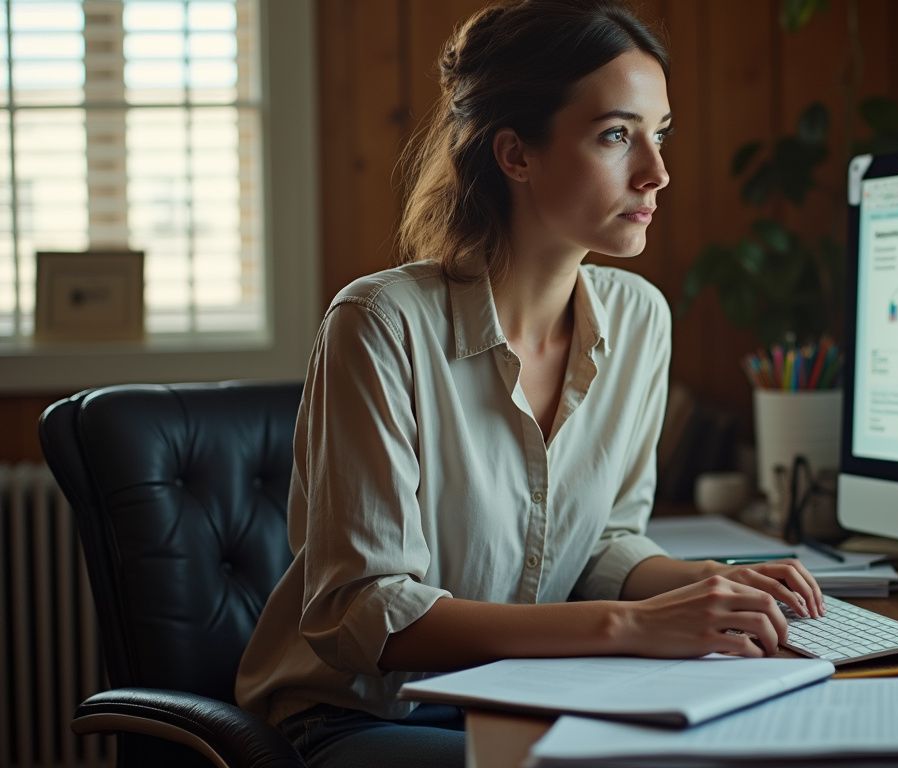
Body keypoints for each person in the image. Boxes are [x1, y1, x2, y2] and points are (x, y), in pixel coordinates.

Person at [236, 2, 826, 766]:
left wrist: (711, 585)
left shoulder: (639, 319)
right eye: (617, 135)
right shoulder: (380, 324)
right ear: (516, 154)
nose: (657, 171)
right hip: (363, 717)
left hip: (537, 691)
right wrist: (631, 627)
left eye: (660, 132)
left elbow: (605, 543)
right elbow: (364, 612)